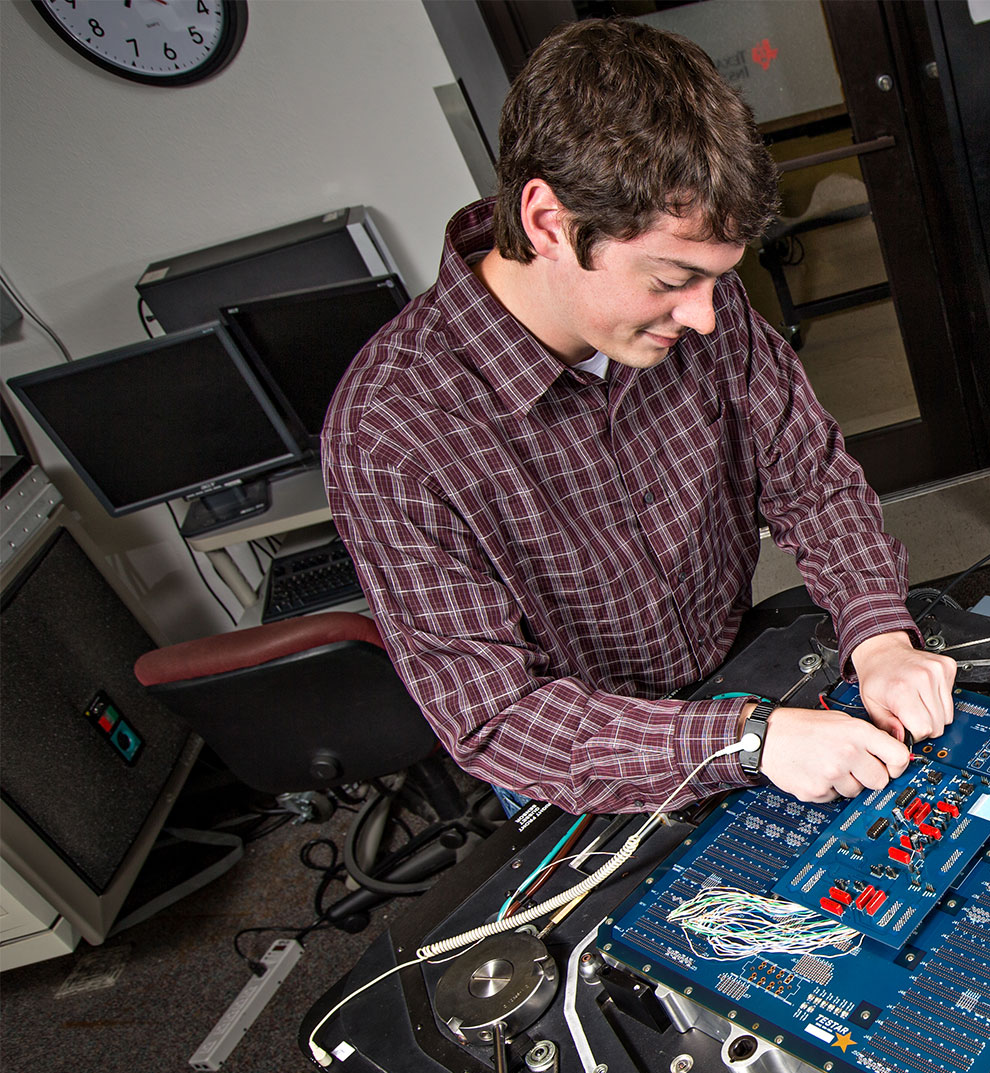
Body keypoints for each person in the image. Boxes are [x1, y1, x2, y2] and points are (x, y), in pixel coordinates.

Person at [321, 19, 955, 813]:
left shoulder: (698, 305)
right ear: (550, 223)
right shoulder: (392, 431)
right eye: (671, 278)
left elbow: (812, 484)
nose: (705, 318)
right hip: (583, 763)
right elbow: (495, 719)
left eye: (715, 280)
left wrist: (880, 637)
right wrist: (746, 741)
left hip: (742, 671)